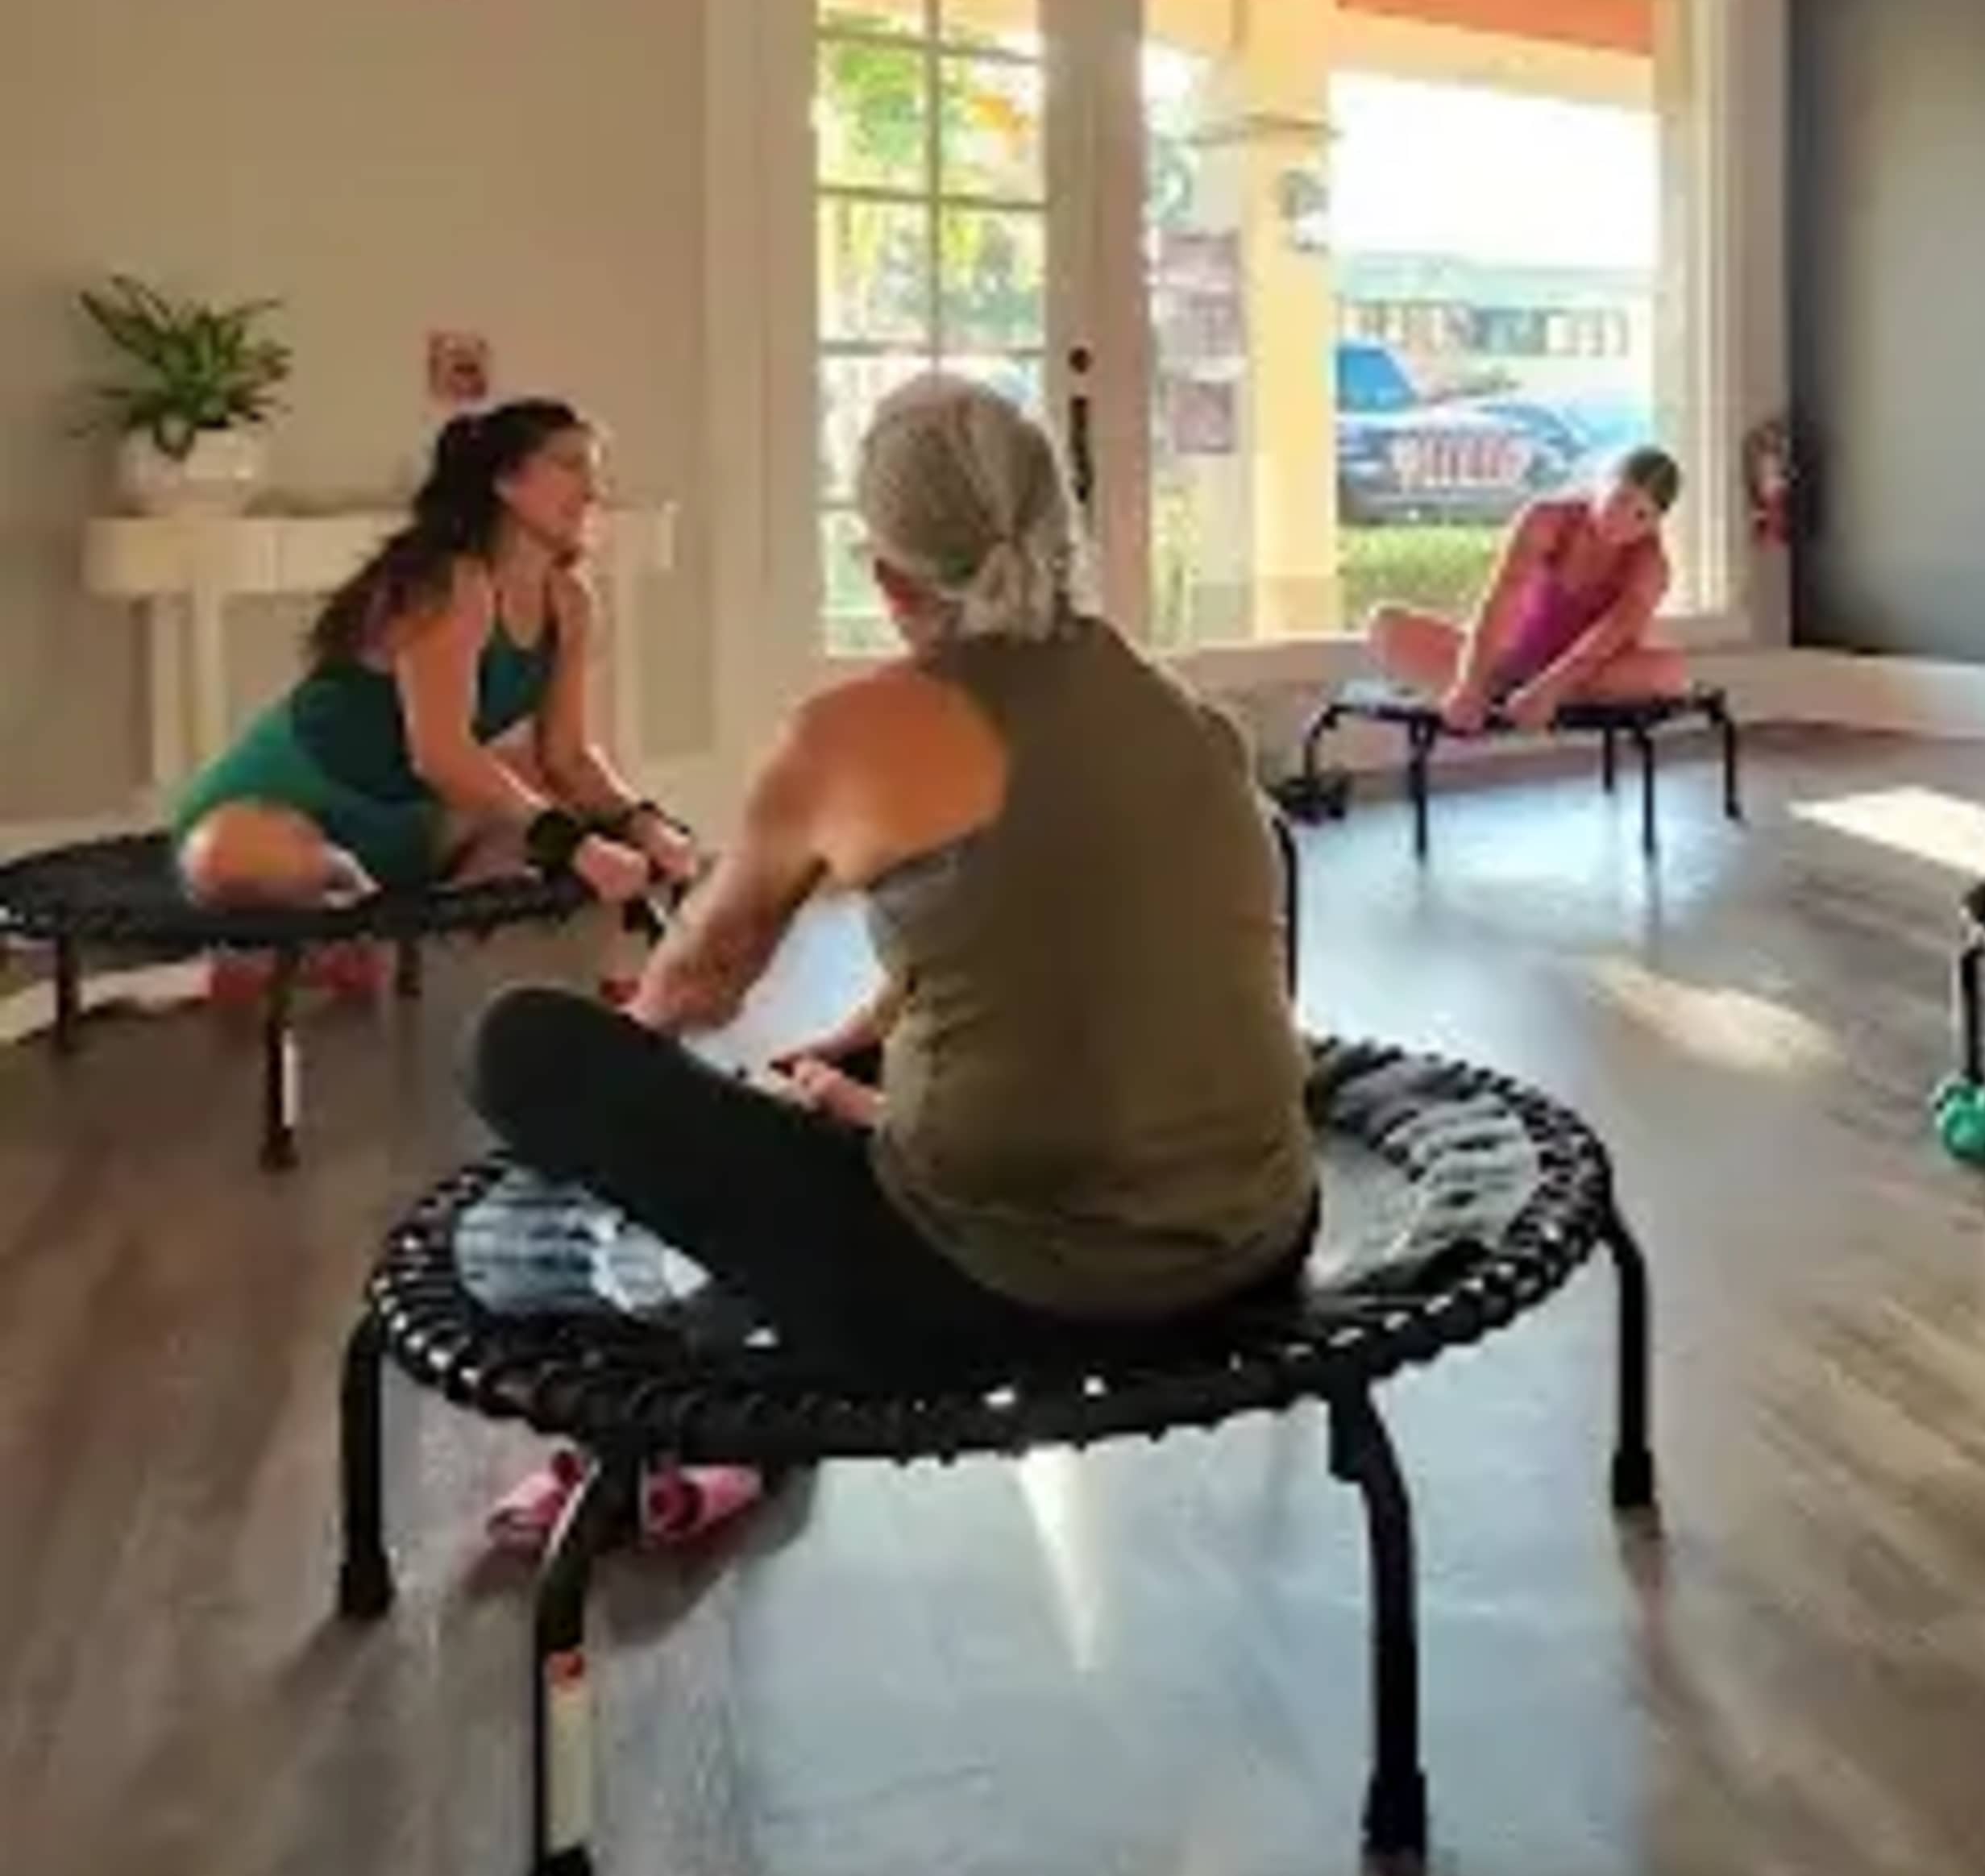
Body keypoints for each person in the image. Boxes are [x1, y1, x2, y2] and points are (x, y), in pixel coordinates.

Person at [463, 373, 1314, 1549]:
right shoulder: (1184, 714)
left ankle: (678, 1414)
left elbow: (700, 982)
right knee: (826, 1085)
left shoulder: (850, 734)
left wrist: (642, 1083)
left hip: (1006, 1294)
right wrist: (860, 1051)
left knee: (523, 1047)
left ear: (889, 577)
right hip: (1260, 1248)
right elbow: (1020, 929)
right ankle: (720, 1378)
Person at [171, 398, 690, 917]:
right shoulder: (449, 583)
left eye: (594, 471)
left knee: (544, 784)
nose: (593, 492)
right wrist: (572, 846)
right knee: (228, 859)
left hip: (410, 818)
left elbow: (569, 757)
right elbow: (442, 756)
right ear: (505, 482)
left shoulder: (570, 602)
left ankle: (398, 906)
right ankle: (365, 904)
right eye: (571, 466)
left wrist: (646, 825)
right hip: (283, 807)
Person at [1367, 444, 1689, 737]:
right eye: (1621, 500)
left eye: (1642, 516)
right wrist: (1470, 682)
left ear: (1656, 523)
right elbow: (1500, 602)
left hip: (1588, 673)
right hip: (1511, 660)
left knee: (1668, 673)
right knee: (1386, 626)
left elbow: (1608, 638)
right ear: (1601, 484)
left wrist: (1550, 689)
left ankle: (1516, 699)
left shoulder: (1651, 565)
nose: (1622, 521)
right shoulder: (1545, 519)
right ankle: (1497, 693)